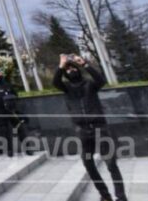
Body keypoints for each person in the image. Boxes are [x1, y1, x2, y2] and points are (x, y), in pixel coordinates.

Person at [53, 54, 126, 201]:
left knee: (111, 163)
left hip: (100, 129)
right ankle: (105, 196)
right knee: (88, 162)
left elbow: (101, 80)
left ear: (78, 69)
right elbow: (55, 82)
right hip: (83, 132)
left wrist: (84, 63)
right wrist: (61, 65)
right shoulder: (66, 88)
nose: (71, 70)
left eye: (73, 68)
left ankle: (121, 197)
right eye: (68, 69)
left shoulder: (90, 84)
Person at [0, 67, 26, 155]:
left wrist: (16, 108)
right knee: (5, 131)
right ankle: (10, 150)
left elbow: (15, 96)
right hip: (0, 112)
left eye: (0, 73)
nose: (0, 74)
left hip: (11, 111)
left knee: (20, 128)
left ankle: (27, 148)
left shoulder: (7, 84)